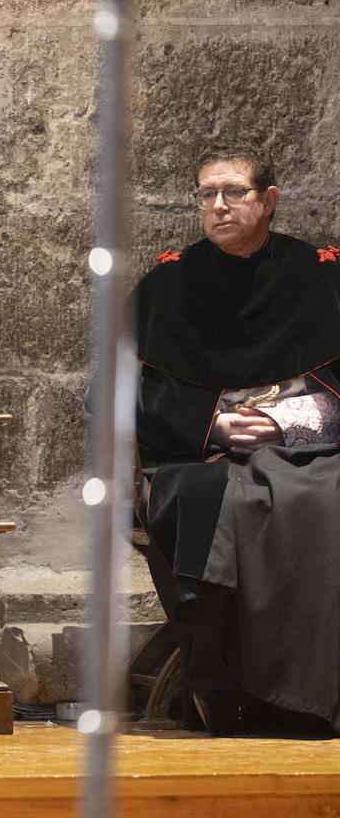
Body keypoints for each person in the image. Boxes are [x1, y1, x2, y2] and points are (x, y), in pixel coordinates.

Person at [134, 140, 340, 737]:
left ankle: (305, 693)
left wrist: (285, 423)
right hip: (198, 455)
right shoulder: (169, 284)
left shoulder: (321, 275)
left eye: (234, 192)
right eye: (207, 195)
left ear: (269, 200)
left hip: (310, 445)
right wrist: (212, 421)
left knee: (321, 500)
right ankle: (231, 688)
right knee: (227, 502)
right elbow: (117, 392)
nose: (219, 206)